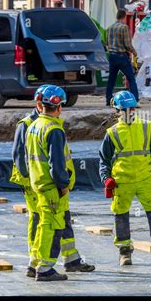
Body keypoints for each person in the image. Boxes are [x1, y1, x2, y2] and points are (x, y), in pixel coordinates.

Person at [99, 91, 151, 267]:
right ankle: (125, 252)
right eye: (125, 109)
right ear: (118, 111)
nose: (129, 112)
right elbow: (104, 160)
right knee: (121, 216)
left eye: (131, 109)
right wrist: (107, 179)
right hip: (122, 182)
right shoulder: (112, 133)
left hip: (144, 180)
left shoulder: (147, 128)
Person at [26, 85, 95, 281]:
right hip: (53, 188)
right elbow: (56, 163)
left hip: (38, 184)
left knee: (45, 225)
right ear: (59, 106)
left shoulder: (33, 126)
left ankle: (35, 264)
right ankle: (45, 268)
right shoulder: (54, 129)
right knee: (51, 227)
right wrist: (63, 183)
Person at [10, 84, 52, 278]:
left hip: (42, 178)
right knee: (37, 217)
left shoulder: (48, 121)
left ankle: (65, 258)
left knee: (48, 217)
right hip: (30, 179)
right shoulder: (26, 124)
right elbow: (18, 152)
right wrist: (27, 175)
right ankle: (33, 259)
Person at [106, 9, 139, 106]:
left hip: (112, 56)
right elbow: (127, 45)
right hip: (121, 56)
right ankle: (135, 100)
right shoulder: (124, 27)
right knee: (131, 78)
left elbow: (107, 42)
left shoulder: (110, 28)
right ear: (124, 17)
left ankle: (108, 100)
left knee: (111, 79)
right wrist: (134, 52)